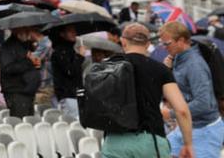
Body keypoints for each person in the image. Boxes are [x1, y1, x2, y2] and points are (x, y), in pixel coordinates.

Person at [99, 23, 194, 158]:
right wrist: (188, 144)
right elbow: (182, 110)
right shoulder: (160, 69)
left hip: (115, 141)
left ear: (123, 41)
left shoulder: (107, 66)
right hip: (150, 140)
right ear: (148, 44)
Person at [160, 22, 223, 158]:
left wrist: (170, 114)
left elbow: (203, 103)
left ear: (181, 41)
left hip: (205, 130)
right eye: (162, 44)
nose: (164, 47)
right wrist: (169, 68)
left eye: (167, 43)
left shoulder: (195, 65)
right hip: (188, 126)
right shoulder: (179, 57)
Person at [0, 26, 41, 117]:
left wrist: (34, 63)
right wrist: (29, 62)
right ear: (16, 30)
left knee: (29, 123)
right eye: (25, 29)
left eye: (28, 29)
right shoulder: (8, 46)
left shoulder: (25, 45)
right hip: (17, 91)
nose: (28, 32)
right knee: (20, 123)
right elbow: (8, 68)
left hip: (28, 90)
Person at [50, 24, 84, 120]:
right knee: (74, 123)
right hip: (68, 95)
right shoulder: (60, 51)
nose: (74, 33)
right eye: (70, 31)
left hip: (77, 94)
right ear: (62, 34)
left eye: (74, 31)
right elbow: (70, 71)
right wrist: (80, 56)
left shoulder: (71, 50)